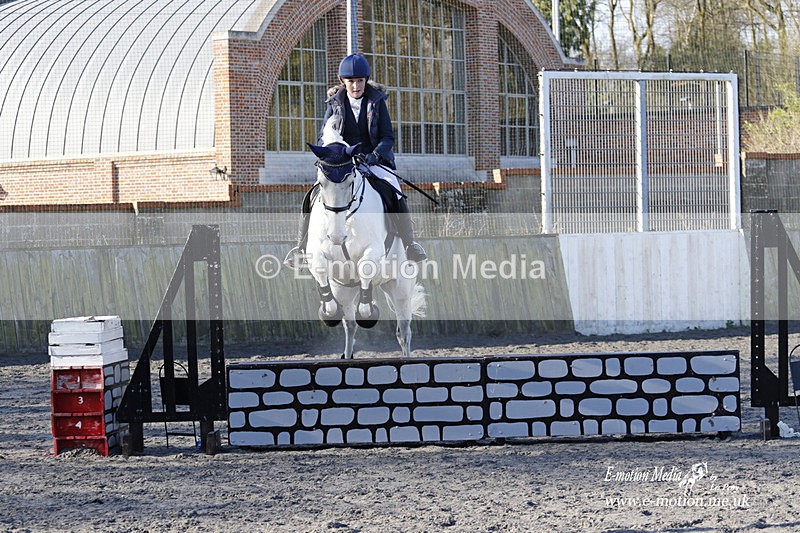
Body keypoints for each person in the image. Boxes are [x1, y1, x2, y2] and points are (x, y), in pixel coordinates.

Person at [284, 53, 427, 269]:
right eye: (351, 81)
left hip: (373, 160)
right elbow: (324, 136)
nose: (356, 86)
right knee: (313, 194)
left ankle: (409, 245)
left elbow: (388, 136)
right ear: (343, 81)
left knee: (395, 189)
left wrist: (375, 156)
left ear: (366, 80)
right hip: (343, 162)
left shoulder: (377, 101)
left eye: (360, 81)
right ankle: (300, 248)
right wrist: (337, 153)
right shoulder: (335, 103)